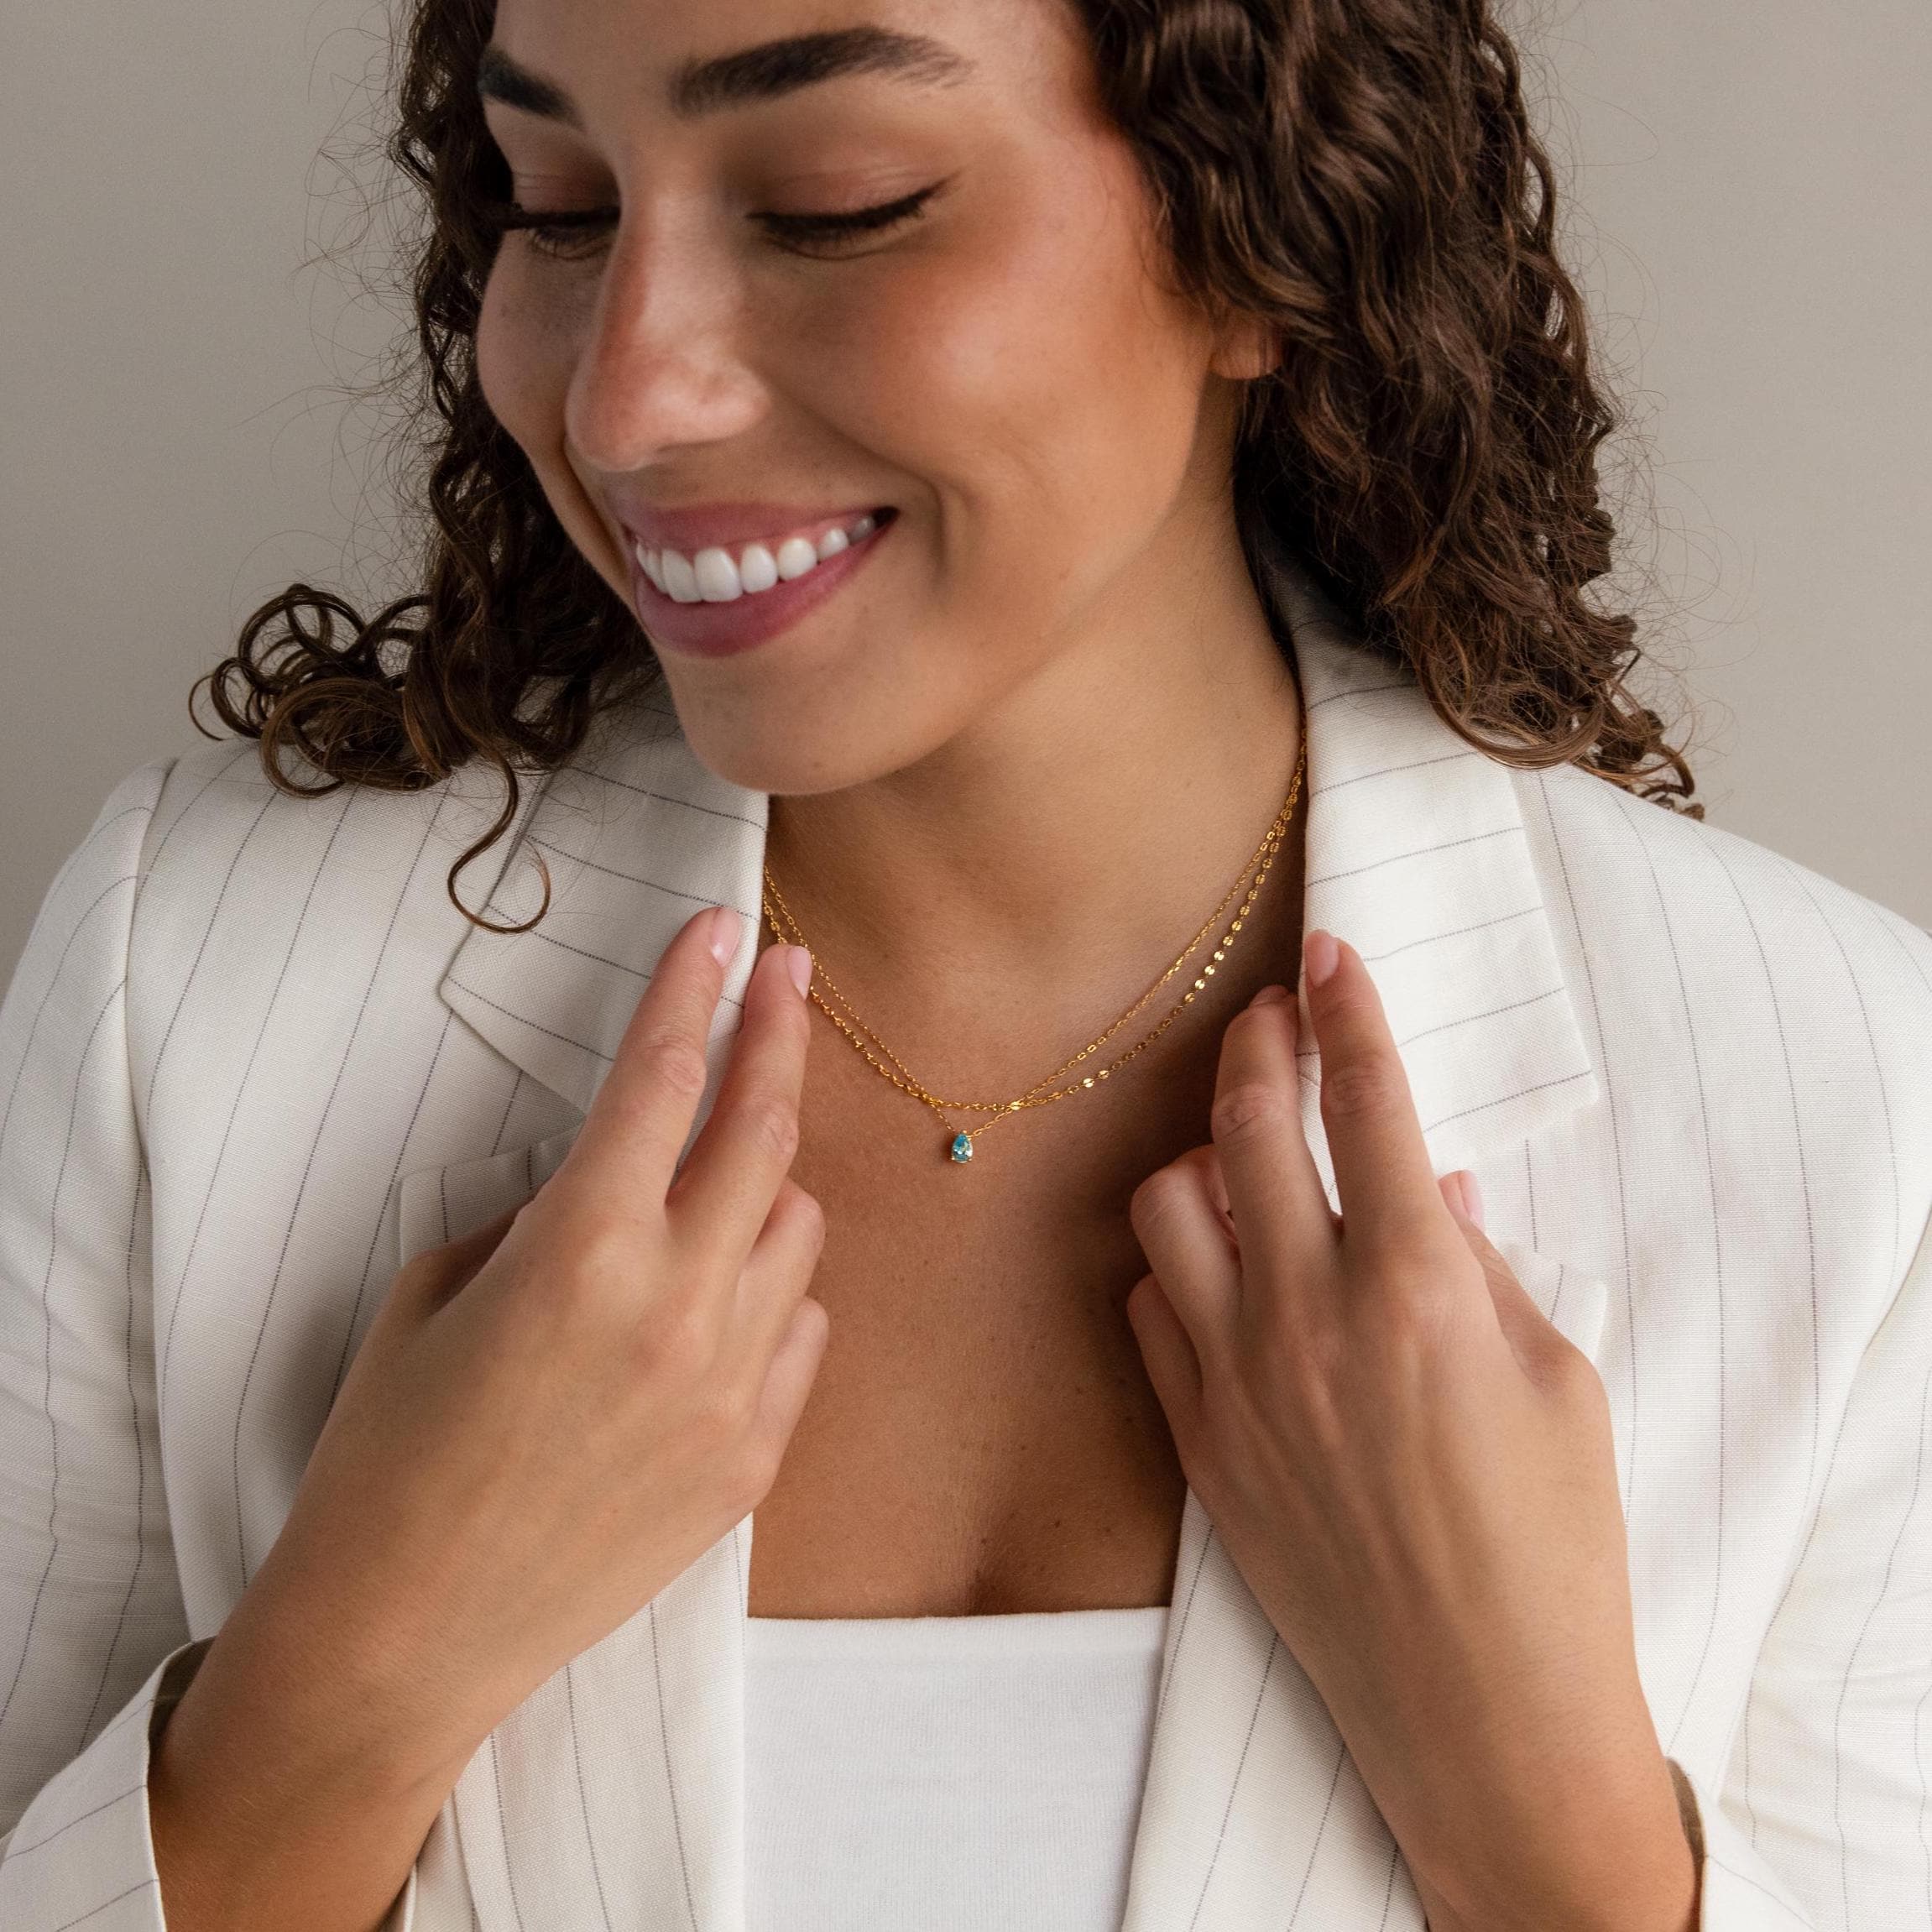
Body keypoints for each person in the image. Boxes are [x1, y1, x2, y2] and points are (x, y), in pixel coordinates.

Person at [2, 0, 1927, 1928]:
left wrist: (1553, 1835)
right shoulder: (184, 980)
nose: (624, 399)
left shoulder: (1843, 1109)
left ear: (1269, 233)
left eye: (838, 204)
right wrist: (339, 1690)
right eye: (561, 202)